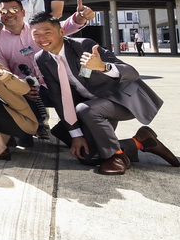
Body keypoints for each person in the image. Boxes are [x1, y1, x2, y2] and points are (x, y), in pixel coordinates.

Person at [30, 13, 178, 175]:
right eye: (36, 34)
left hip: (121, 101)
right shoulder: (42, 58)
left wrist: (103, 67)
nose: (41, 38)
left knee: (85, 110)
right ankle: (141, 141)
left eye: (47, 32)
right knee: (82, 151)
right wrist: (76, 135)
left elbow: (132, 73)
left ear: (61, 32)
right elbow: (58, 96)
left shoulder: (84, 45)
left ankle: (117, 157)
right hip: (92, 104)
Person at [0, 0, 92, 141]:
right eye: (3, 11)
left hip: (58, 82)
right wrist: (21, 88)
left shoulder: (37, 28)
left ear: (23, 12)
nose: (9, 14)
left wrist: (80, 17)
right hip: (27, 89)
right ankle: (35, 126)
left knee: (82, 105)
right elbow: (4, 72)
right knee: (25, 135)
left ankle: (69, 132)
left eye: (13, 9)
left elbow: (65, 26)